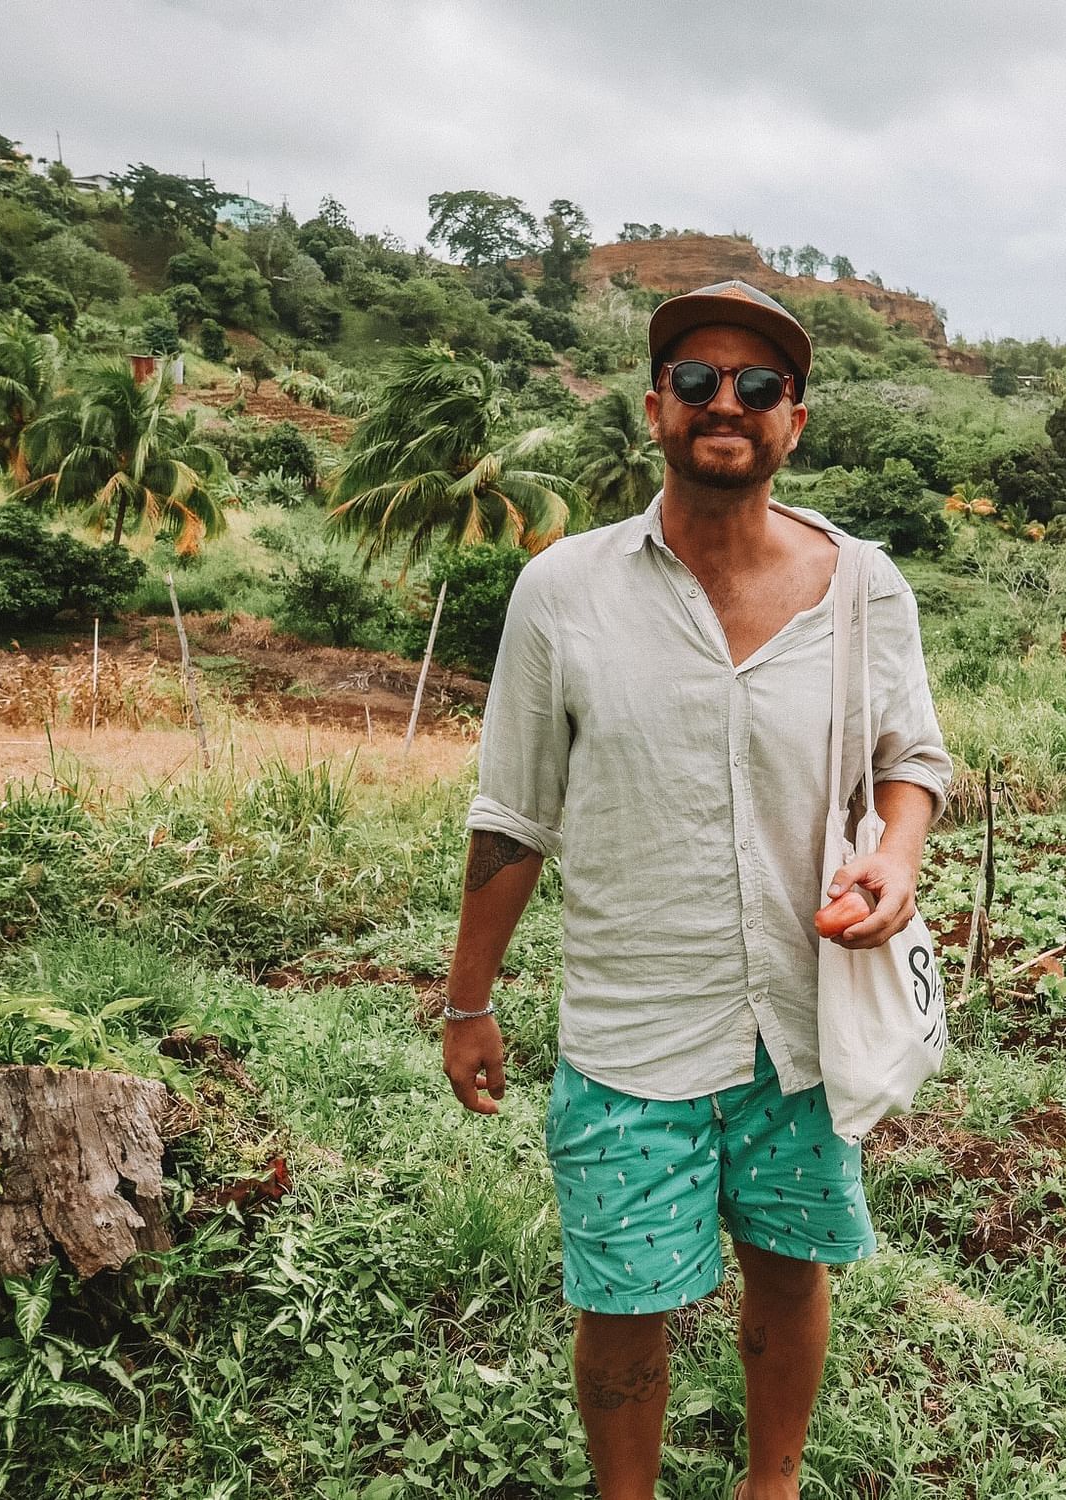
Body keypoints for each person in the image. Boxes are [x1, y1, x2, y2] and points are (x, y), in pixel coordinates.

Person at [440, 280, 952, 1500]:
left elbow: (910, 760)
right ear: (654, 408)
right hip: (630, 1027)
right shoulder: (561, 591)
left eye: (759, 386)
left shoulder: (863, 586)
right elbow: (511, 815)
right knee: (624, 1298)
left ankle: (767, 1486)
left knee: (787, 1262)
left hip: (799, 1016)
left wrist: (895, 855)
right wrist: (468, 1001)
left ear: (795, 421)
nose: (728, 403)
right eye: (698, 381)